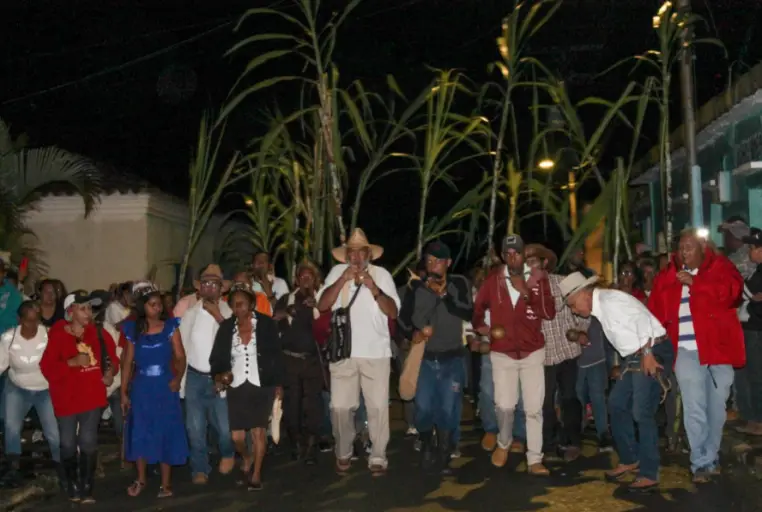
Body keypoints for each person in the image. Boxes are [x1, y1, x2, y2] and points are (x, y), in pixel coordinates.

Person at [648, 228, 744, 483]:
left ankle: (710, 455)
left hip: (718, 350)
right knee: (694, 408)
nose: (683, 252)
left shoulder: (721, 267)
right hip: (686, 351)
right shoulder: (669, 274)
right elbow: (655, 310)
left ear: (703, 248)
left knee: (717, 408)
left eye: (689, 247)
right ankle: (700, 463)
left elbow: (732, 295)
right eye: (680, 248)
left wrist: (697, 283)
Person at [562, 272, 673, 492]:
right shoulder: (602, 306)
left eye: (574, 305)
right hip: (635, 354)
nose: (575, 310)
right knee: (616, 404)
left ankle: (649, 472)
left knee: (641, 411)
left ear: (583, 293)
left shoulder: (609, 301)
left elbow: (642, 319)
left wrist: (648, 353)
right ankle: (630, 457)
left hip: (650, 349)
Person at [317, 228, 400, 477]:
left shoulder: (382, 275)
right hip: (343, 353)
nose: (355, 258)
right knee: (340, 408)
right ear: (346, 256)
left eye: (360, 252)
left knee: (377, 408)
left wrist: (373, 288)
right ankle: (343, 451)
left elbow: (394, 312)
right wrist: (342, 280)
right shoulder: (335, 273)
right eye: (351, 253)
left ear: (368, 255)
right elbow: (322, 305)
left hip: (376, 353)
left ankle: (378, 455)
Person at [472, 235, 555, 475]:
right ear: (502, 255)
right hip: (503, 353)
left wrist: (527, 293)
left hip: (532, 352)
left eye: (516, 253)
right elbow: (478, 310)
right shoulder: (493, 280)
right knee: (504, 406)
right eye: (507, 254)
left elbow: (549, 312)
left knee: (533, 409)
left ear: (523, 254)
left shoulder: (538, 279)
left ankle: (535, 459)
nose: (512, 258)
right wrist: (482, 328)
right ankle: (503, 443)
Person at [398, 241, 472, 474]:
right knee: (423, 407)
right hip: (426, 358)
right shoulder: (415, 287)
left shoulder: (459, 283)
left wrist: (445, 296)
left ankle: (443, 453)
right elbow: (402, 320)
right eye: (429, 260)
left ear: (448, 263)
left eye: (438, 261)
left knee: (448, 409)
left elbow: (469, 312)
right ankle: (427, 445)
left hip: (453, 357)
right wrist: (414, 333)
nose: (433, 265)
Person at [40, 290, 119, 503]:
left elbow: (112, 359)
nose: (88, 313)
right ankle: (72, 482)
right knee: (66, 443)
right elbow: (46, 367)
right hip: (66, 398)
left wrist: (110, 373)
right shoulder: (57, 335)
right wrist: (71, 363)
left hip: (92, 397)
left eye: (90, 308)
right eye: (82, 308)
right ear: (70, 311)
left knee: (88, 442)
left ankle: (86, 487)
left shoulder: (99, 333)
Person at [210, 282, 284, 491]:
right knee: (237, 437)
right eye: (234, 305)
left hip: (262, 384)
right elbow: (216, 358)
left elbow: (276, 356)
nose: (237, 309)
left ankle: (257, 474)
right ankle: (247, 457)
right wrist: (219, 375)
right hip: (236, 385)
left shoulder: (267, 324)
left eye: (241, 304)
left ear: (251, 304)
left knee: (258, 432)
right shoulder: (226, 328)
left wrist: (278, 384)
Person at [119, 282, 188, 498]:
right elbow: (128, 362)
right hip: (141, 387)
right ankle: (141, 479)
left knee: (165, 432)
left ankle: (165, 484)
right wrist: (123, 391)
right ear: (142, 307)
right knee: (140, 431)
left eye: (159, 304)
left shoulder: (170, 327)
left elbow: (180, 356)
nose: (158, 308)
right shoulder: (133, 331)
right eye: (153, 305)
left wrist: (178, 378)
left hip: (165, 386)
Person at [525, 243, 587, 462]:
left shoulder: (562, 283)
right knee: (545, 401)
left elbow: (583, 309)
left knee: (569, 397)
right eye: (527, 262)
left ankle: (571, 441)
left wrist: (580, 331)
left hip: (568, 350)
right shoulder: (523, 290)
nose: (530, 266)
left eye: (533, 261)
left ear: (544, 263)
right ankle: (549, 444)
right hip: (542, 355)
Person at [177, 264, 236, 484]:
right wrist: (179, 379)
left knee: (225, 428)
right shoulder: (190, 314)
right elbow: (181, 347)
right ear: (199, 288)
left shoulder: (230, 313)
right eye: (205, 283)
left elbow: (235, 341)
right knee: (194, 428)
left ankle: (228, 453)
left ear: (222, 289)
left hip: (220, 377)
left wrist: (218, 315)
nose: (209, 288)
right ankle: (199, 468)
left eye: (214, 284)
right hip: (194, 376)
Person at [0, 301, 61, 488]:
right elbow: (1, 365)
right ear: (19, 320)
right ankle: (14, 468)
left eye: (36, 321)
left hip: (44, 389)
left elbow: (59, 361)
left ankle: (62, 467)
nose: (33, 326)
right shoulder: (8, 338)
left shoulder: (48, 335)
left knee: (53, 432)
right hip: (17, 387)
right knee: (11, 427)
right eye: (28, 321)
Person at [274, 261, 324, 464]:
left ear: (315, 280)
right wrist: (287, 311)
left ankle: (311, 446)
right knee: (292, 404)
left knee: (313, 405)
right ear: (296, 280)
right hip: (290, 360)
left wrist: (318, 307)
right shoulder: (287, 299)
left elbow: (328, 327)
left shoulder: (322, 299)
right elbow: (272, 318)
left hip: (313, 361)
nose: (305, 280)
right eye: (302, 276)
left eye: (309, 276)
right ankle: (296, 443)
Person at [736, 228, 762, 436]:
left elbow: (742, 291)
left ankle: (758, 420)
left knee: (755, 375)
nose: (749, 251)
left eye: (752, 247)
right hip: (753, 327)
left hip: (755, 329)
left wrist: (747, 294)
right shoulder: (757, 270)